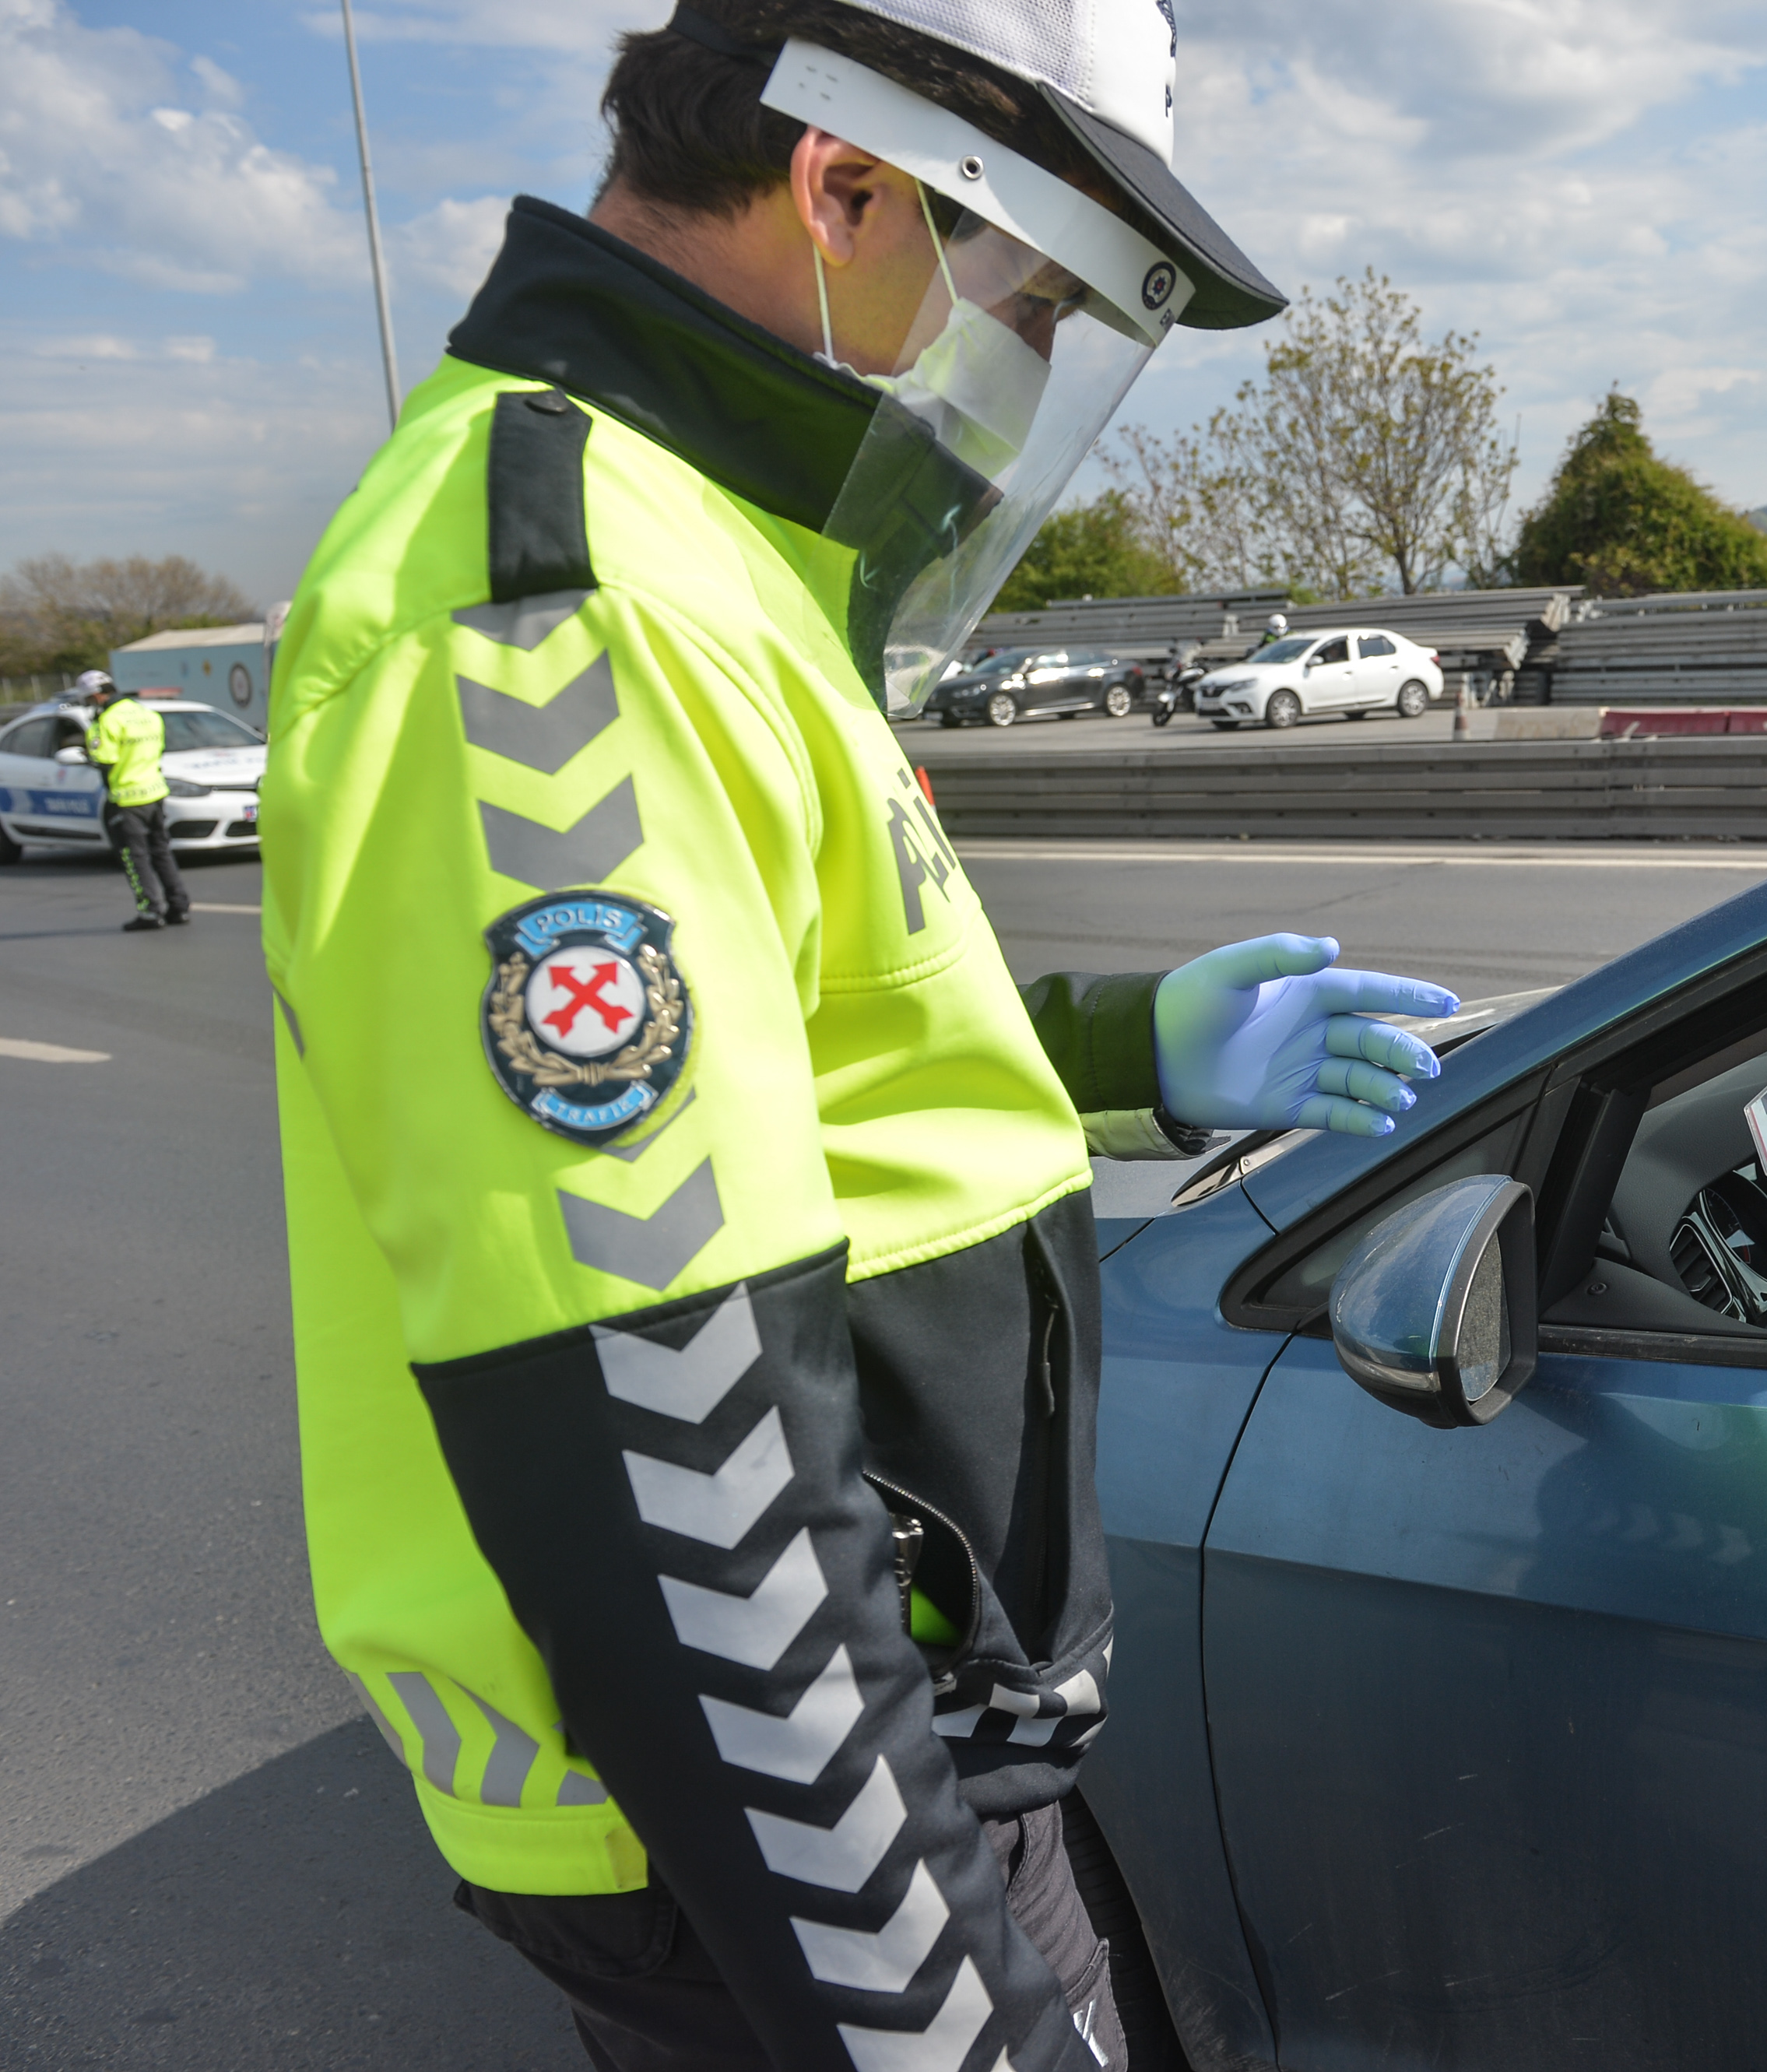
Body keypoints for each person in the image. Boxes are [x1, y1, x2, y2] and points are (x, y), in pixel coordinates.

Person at [264, 5, 1458, 2067]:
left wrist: (1112, 1051)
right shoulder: (561, 609)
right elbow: (677, 1464)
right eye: (1030, 297)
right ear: (849, 185)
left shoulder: (692, 543)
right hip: (792, 1802)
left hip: (902, 1737)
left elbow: (785, 1044)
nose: (1005, 374)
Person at [79, 673, 190, 931]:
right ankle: (179, 906)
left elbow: (104, 761)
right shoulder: (147, 714)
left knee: (134, 857)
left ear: (96, 696)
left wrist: (90, 755)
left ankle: (151, 912)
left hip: (127, 799)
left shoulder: (106, 721)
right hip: (155, 792)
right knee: (161, 851)